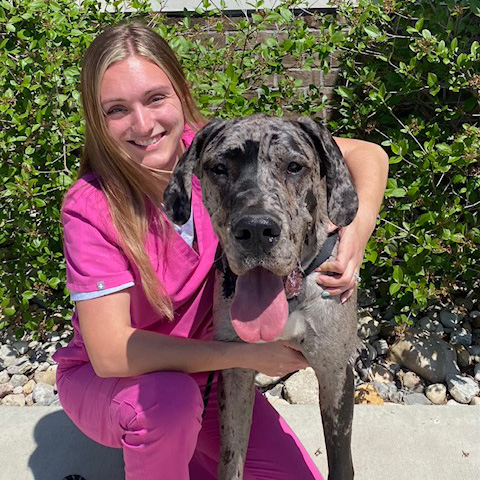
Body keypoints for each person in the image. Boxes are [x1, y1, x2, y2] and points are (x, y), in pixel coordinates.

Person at [53, 21, 389, 480]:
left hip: (206, 376)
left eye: (155, 98)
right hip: (124, 382)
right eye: (117, 109)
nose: (144, 124)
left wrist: (355, 232)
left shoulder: (214, 149)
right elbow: (112, 353)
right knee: (167, 409)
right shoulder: (91, 208)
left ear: (180, 96)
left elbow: (367, 154)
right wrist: (247, 357)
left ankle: (184, 449)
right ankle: (161, 447)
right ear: (97, 119)